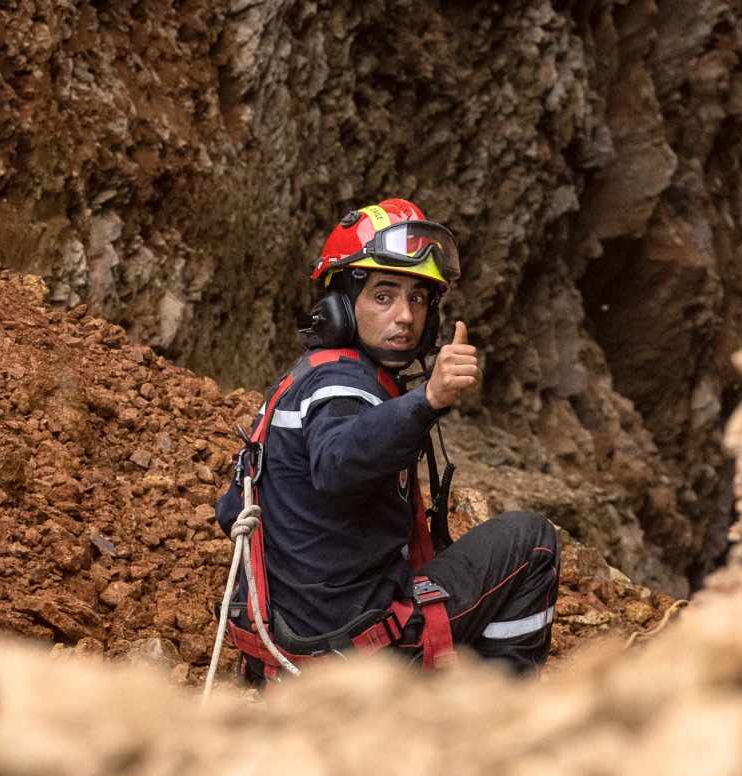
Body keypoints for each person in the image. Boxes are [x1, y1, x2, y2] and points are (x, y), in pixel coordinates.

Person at [215, 198, 558, 681]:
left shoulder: (307, 379)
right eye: (384, 296)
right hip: (358, 659)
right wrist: (429, 399)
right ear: (340, 305)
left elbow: (230, 510)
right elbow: (338, 461)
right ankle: (496, 713)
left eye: (417, 298)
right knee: (531, 540)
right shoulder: (342, 385)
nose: (404, 316)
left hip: (288, 657)